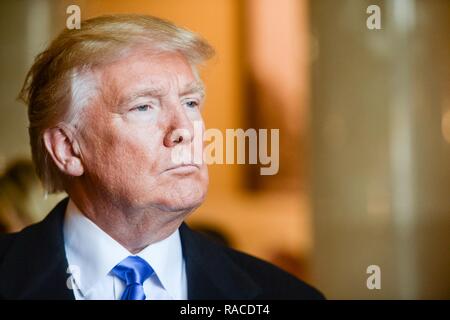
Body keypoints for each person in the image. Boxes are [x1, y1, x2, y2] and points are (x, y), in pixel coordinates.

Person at [0, 14, 324, 300]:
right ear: (67, 149)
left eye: (190, 103)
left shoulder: (282, 294)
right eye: (144, 107)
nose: (184, 129)